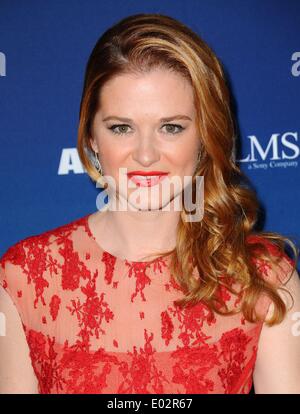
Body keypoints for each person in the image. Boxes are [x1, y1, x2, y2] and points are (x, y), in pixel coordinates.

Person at [0, 13, 300, 394]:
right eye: (121, 127)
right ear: (91, 136)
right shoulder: (27, 277)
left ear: (206, 136)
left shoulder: (263, 280)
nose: (145, 155)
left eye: (171, 127)